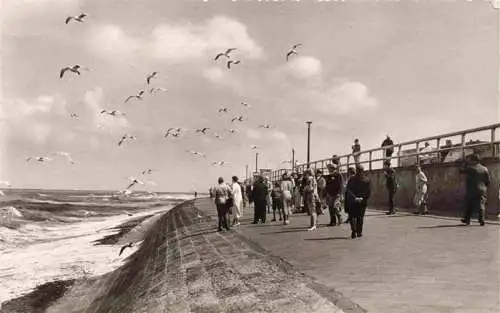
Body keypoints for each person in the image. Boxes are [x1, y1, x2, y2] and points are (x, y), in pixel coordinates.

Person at [459, 154, 490, 226]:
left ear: (474, 160)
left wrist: (464, 163)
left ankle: (467, 219)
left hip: (472, 189)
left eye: (471, 160)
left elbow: (461, 171)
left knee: (469, 204)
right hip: (482, 189)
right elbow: (488, 181)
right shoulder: (485, 168)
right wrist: (485, 187)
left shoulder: (470, 168)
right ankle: (481, 220)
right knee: (481, 204)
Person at [345, 164, 371, 239]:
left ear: (356, 170)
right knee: (360, 217)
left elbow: (349, 190)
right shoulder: (367, 180)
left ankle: (354, 231)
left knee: (352, 216)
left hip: (352, 201)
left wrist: (355, 198)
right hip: (362, 202)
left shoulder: (351, 179)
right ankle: (359, 232)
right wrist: (362, 198)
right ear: (363, 170)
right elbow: (368, 192)